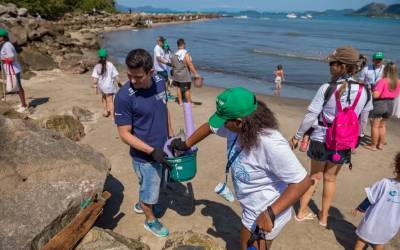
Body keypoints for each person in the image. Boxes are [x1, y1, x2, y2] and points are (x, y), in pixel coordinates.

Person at [170, 87, 312, 249]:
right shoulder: (238, 126)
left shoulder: (270, 143)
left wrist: (270, 213)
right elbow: (209, 127)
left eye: (224, 120)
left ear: (239, 122)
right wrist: (185, 144)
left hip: (267, 211)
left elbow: (302, 182)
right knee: (244, 243)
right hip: (250, 208)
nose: (221, 124)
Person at [289, 46, 373, 227]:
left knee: (314, 176)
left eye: (332, 63)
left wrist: (297, 135)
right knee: (331, 179)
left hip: (320, 138)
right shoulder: (365, 91)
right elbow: (363, 119)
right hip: (343, 142)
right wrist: (357, 137)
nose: (330, 66)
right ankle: (324, 217)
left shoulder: (327, 88)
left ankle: (302, 211)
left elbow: (311, 115)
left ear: (342, 66)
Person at [114, 49, 174, 237]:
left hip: (162, 149)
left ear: (151, 72)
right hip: (144, 157)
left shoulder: (160, 82)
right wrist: (151, 151)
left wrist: (171, 137)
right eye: (129, 75)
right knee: (150, 192)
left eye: (138, 77)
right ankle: (150, 220)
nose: (132, 80)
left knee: (159, 185)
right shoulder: (123, 97)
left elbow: (164, 109)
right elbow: (124, 134)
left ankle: (142, 203)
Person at [351, 152, 400, 250]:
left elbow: (370, 199)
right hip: (390, 225)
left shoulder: (385, 183)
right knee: (379, 244)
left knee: (361, 241)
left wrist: (360, 208)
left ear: (396, 166)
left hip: (373, 221)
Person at [364, 62, 400, 151]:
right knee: (382, 125)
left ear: (385, 70)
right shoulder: (398, 81)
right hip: (391, 103)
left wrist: (370, 91)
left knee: (375, 126)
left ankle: (373, 145)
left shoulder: (382, 81)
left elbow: (376, 95)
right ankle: (380, 144)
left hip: (380, 104)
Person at [0, 28, 27, 113]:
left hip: (14, 69)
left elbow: (11, 58)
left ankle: (24, 106)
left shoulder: (7, 45)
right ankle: (23, 104)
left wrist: (2, 60)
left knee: (18, 87)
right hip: (10, 69)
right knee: (17, 87)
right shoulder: (3, 44)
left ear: (3, 37)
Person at [171, 38, 200, 106]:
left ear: (178, 45)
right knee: (187, 89)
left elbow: (172, 64)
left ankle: (180, 102)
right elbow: (189, 64)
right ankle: (189, 103)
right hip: (184, 75)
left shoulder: (174, 53)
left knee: (178, 88)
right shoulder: (185, 53)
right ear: (183, 44)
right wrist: (196, 74)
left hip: (176, 74)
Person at [92, 48, 120, 118]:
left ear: (99, 57)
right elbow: (116, 75)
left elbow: (95, 79)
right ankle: (113, 116)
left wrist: (95, 87)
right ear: (107, 56)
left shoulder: (97, 66)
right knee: (110, 101)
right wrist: (119, 83)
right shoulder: (110, 64)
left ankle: (105, 111)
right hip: (109, 87)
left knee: (104, 98)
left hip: (102, 87)